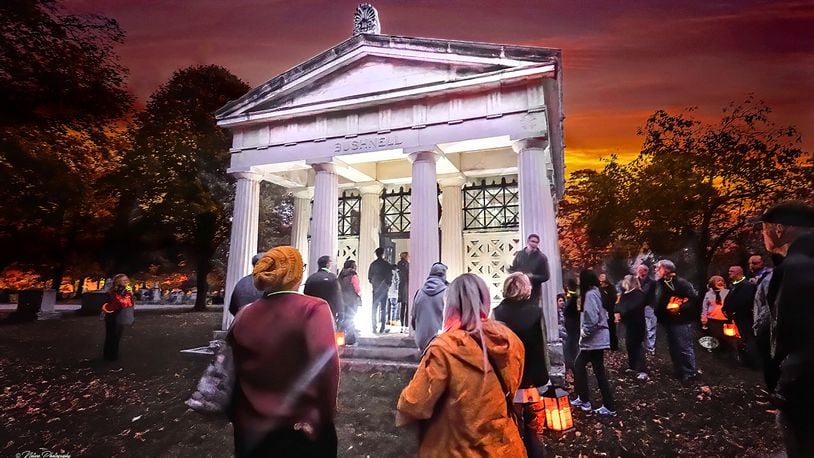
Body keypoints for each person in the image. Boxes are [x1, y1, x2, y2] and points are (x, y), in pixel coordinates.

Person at [396, 274, 526, 457]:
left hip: (455, 450)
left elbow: (415, 403)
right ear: (486, 300)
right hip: (505, 447)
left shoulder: (444, 348)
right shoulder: (511, 341)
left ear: (449, 304)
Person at [229, 246, 340, 458]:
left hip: (250, 430)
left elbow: (234, 368)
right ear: (295, 273)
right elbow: (327, 366)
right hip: (299, 429)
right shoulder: (314, 308)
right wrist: (325, 414)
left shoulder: (244, 314)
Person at [759, 202, 814, 457]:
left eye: (764, 228)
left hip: (805, 392)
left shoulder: (797, 268)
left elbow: (803, 336)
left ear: (779, 229)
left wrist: (784, 390)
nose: (763, 234)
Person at [493, 273, 550, 458]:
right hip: (531, 378)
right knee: (534, 429)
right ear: (526, 288)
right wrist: (543, 380)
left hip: (507, 379)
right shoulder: (536, 312)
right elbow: (541, 348)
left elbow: (494, 349)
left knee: (511, 427)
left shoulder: (496, 313)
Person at [570, 269, 616, 415]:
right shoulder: (599, 292)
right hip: (599, 338)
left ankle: (584, 400)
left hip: (593, 340)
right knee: (599, 371)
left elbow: (592, 318)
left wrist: (585, 332)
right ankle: (608, 405)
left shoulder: (590, 295)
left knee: (578, 367)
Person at [648, 259, 699, 384]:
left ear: (666, 269)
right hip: (668, 320)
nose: (655, 270)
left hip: (680, 320)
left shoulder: (681, 283)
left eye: (658, 268)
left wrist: (679, 307)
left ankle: (689, 373)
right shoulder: (660, 283)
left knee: (684, 346)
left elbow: (692, 299)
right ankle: (679, 370)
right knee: (673, 347)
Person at [722, 265, 757, 366]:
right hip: (735, 318)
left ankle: (752, 362)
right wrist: (724, 309)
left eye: (731, 271)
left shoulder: (746, 286)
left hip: (744, 318)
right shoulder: (734, 285)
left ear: (738, 273)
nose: (729, 273)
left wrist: (733, 310)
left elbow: (743, 301)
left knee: (748, 338)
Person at [615, 275, 648, 380]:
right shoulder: (625, 294)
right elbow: (618, 305)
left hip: (637, 324)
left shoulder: (639, 294)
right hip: (628, 324)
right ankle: (633, 366)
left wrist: (622, 312)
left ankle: (642, 370)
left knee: (637, 346)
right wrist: (617, 311)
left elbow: (632, 307)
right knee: (629, 345)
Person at [411, 263, 448, 352]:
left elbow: (413, 321)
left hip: (422, 342)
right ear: (443, 275)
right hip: (441, 343)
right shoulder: (447, 293)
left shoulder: (419, 293)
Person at [509, 233, 550, 304]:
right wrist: (511, 271)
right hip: (519, 290)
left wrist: (532, 276)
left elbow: (546, 276)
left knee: (531, 312)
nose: (534, 244)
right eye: (532, 241)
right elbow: (514, 268)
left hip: (533, 292)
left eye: (536, 242)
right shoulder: (520, 254)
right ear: (528, 241)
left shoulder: (541, 258)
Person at [101, 273, 134, 361]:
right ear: (118, 281)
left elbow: (130, 303)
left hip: (121, 315)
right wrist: (126, 297)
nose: (126, 282)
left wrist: (129, 295)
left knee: (117, 336)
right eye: (123, 280)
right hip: (112, 315)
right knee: (111, 335)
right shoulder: (113, 291)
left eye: (126, 280)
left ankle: (112, 354)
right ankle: (109, 355)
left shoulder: (125, 291)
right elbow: (118, 303)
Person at [303, 255, 344, 325]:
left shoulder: (311, 278)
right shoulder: (332, 278)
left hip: (313, 312)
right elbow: (337, 296)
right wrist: (341, 312)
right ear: (328, 264)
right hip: (329, 311)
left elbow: (306, 295)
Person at [701, 275, 731, 353]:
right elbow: (705, 307)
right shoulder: (708, 294)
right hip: (713, 318)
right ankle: (715, 352)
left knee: (725, 337)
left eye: (722, 281)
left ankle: (726, 352)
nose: (720, 282)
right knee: (715, 336)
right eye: (718, 281)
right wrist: (704, 317)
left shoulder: (727, 292)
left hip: (725, 318)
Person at [368, 247, 393, 333]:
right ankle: (382, 326)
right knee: (383, 308)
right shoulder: (386, 264)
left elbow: (369, 277)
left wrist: (374, 284)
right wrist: (388, 284)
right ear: (383, 254)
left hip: (375, 288)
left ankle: (373, 327)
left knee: (374, 308)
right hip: (383, 288)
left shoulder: (373, 264)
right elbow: (390, 276)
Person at [338, 259, 361, 343]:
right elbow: (357, 288)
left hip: (342, 299)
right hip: (351, 299)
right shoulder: (353, 274)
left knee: (343, 318)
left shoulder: (340, 275)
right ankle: (350, 338)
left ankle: (340, 339)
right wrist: (359, 295)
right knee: (351, 318)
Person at [636, 264, 658, 354]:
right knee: (638, 327)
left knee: (650, 328)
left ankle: (650, 348)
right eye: (639, 270)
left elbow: (656, 295)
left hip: (649, 307)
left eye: (641, 270)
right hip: (637, 307)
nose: (639, 272)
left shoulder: (652, 283)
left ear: (646, 271)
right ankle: (639, 346)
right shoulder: (634, 281)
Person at [562, 278, 581, 382]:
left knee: (570, 347)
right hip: (574, 326)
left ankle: (573, 368)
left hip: (572, 326)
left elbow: (568, 311)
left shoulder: (572, 299)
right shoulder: (576, 297)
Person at [599, 273, 619, 351]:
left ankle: (613, 345)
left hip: (610, 310)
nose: (601, 283)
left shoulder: (612, 288)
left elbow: (615, 298)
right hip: (602, 311)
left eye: (603, 281)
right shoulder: (599, 289)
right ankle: (604, 344)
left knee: (612, 328)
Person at [397, 252, 410, 330]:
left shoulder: (399, 264)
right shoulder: (406, 264)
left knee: (402, 306)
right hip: (406, 286)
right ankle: (406, 325)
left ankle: (402, 324)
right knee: (407, 306)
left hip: (401, 286)